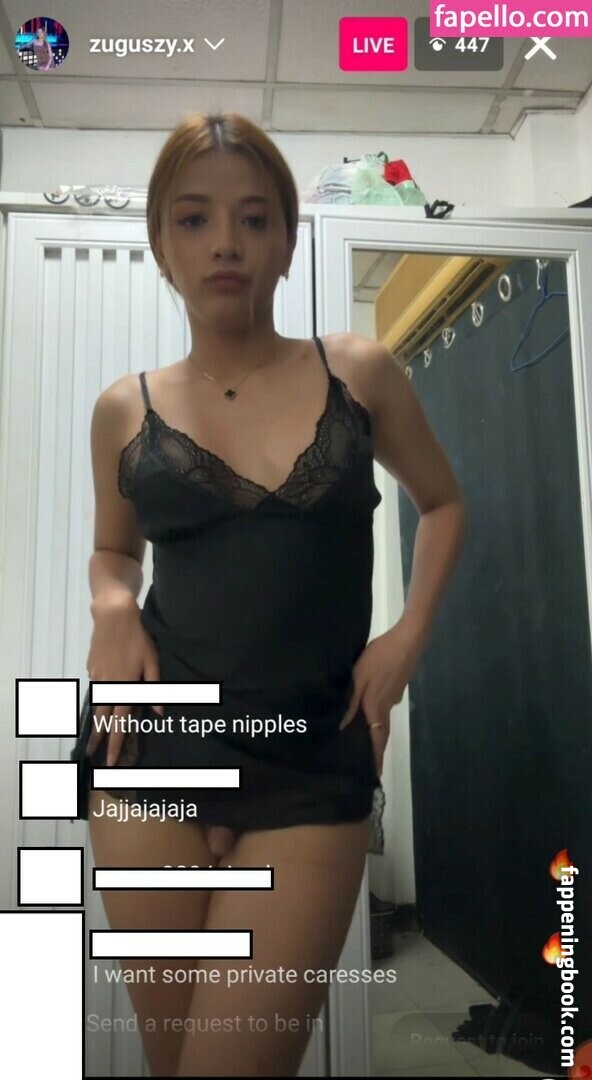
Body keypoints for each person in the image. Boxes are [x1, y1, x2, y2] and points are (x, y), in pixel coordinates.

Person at [71, 112, 466, 1077]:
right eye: (194, 218)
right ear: (162, 243)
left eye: (253, 219)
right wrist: (113, 608)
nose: (225, 243)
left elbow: (446, 503)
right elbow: (114, 555)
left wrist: (407, 637)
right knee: (173, 1063)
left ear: (288, 242)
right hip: (150, 754)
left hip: (311, 757)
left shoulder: (358, 374)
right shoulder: (125, 408)